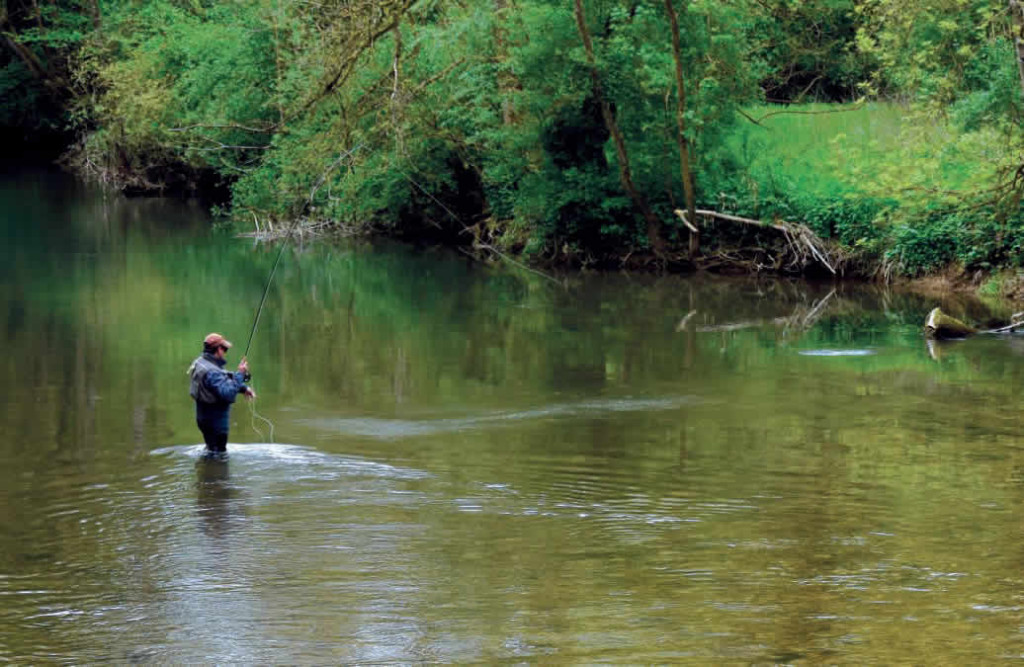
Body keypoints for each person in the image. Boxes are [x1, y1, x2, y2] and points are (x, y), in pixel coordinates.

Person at [188, 333, 256, 456]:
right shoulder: (212, 371)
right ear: (218, 349)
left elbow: (218, 382)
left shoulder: (201, 362)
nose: (225, 352)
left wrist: (243, 388)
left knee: (211, 451)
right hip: (216, 423)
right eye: (224, 349)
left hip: (204, 419)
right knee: (219, 456)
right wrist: (240, 374)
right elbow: (228, 393)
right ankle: (216, 474)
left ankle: (208, 472)